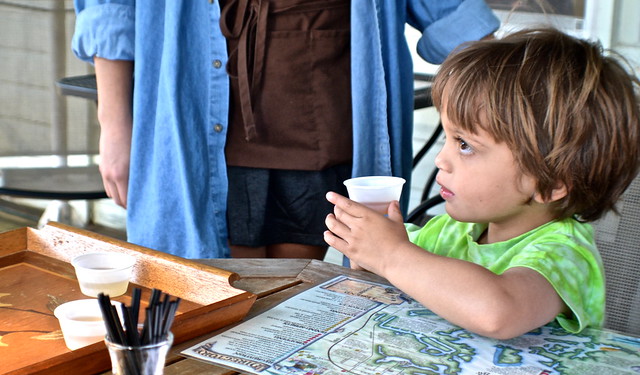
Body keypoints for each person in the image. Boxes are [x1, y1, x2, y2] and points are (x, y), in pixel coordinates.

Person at [71, 0, 499, 259]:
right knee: (216, 299)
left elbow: (456, 18)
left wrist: (507, 133)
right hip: (194, 117)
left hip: (324, 114)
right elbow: (111, 9)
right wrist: (114, 124)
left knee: (292, 298)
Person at [324, 28, 640, 340]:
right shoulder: (449, 232)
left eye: (465, 145)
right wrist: (367, 253)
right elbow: (383, 289)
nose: (440, 160)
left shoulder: (564, 254)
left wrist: (391, 255)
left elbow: (497, 313)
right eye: (448, 138)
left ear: (550, 183)